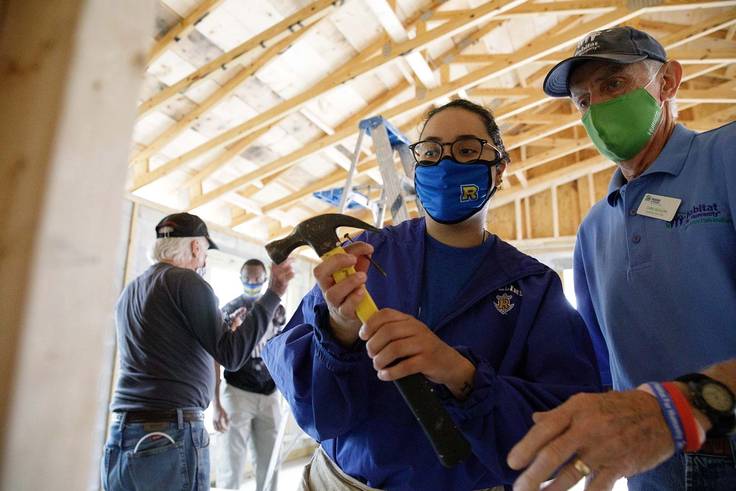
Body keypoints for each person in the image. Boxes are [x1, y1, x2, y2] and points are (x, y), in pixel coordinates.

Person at [262, 99, 602, 490]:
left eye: (467, 150)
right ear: (417, 164)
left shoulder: (532, 286)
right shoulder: (361, 259)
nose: (446, 164)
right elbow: (315, 411)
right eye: (431, 151)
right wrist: (337, 331)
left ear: (499, 168)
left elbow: (567, 421)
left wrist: (463, 376)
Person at [507, 27, 736, 491]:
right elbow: (599, 365)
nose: (598, 110)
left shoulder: (725, 158)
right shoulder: (594, 229)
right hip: (652, 465)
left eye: (613, 85)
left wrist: (687, 406)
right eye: (583, 100)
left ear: (668, 81)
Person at [101, 212, 293, 491]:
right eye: (204, 253)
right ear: (195, 247)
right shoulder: (187, 281)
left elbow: (164, 349)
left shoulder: (132, 290)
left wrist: (228, 330)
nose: (203, 262)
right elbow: (232, 356)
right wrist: (275, 291)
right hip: (168, 434)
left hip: (124, 433)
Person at [213, 259, 290, 491]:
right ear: (240, 277)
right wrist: (216, 403)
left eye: (258, 279)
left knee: (270, 463)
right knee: (231, 462)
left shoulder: (278, 310)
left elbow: (280, 349)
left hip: (269, 394)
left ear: (266, 279)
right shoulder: (230, 310)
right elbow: (216, 356)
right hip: (237, 392)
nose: (253, 283)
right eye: (248, 278)